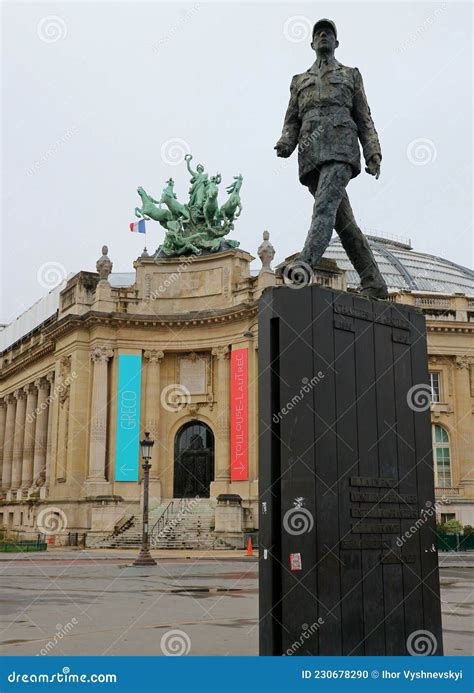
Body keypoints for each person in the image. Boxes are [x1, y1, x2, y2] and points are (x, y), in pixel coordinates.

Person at [275, 18, 388, 299]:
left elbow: (364, 117)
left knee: (324, 209)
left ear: (336, 43)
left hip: (341, 150)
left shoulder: (350, 75)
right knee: (345, 224)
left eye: (329, 33)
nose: (323, 36)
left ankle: (303, 266)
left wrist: (373, 150)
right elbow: (292, 120)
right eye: (318, 33)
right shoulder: (299, 81)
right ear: (312, 44)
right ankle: (374, 281)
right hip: (311, 155)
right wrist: (286, 142)